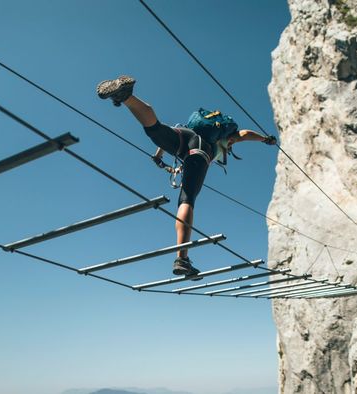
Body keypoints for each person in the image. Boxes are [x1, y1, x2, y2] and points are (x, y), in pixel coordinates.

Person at [96, 75, 276, 279]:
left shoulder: (195, 130)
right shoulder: (225, 139)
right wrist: (265, 139)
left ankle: (126, 97)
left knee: (155, 129)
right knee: (187, 197)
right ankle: (182, 258)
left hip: (183, 135)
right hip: (199, 150)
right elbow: (244, 134)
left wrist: (158, 156)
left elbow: (165, 143)